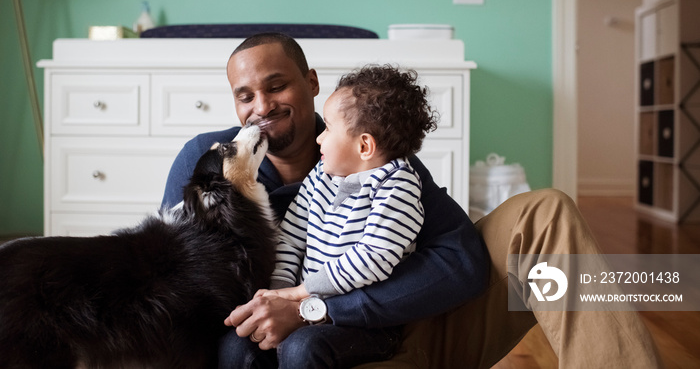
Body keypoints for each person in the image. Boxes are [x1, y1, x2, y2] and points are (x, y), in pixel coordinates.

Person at [161, 32, 662, 368]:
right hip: (309, 357)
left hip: (401, 333)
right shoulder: (208, 165)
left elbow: (463, 262)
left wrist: (319, 308)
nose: (262, 106)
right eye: (245, 95)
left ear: (311, 82)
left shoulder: (371, 149)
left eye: (277, 85)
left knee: (544, 210)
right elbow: (177, 290)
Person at [257, 65, 438, 364]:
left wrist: (301, 293)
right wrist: (279, 294)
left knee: (302, 348)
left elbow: (373, 258)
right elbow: (290, 238)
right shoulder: (321, 175)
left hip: (366, 323)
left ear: (364, 145)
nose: (319, 138)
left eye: (327, 128)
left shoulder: (398, 186)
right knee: (237, 345)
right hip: (305, 306)